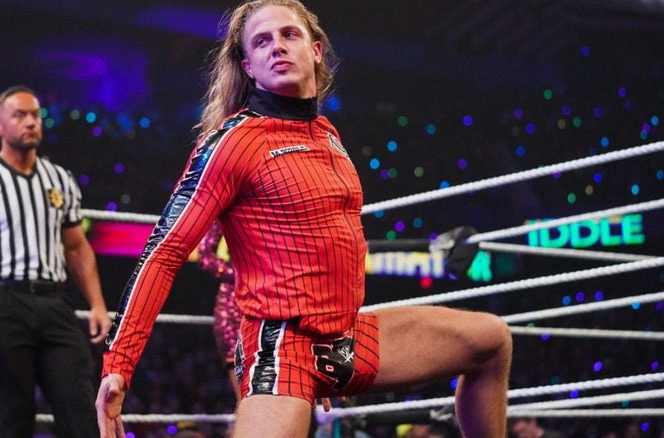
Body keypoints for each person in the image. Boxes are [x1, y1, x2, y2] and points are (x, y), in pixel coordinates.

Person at [96, 1, 513, 437]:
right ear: (248, 67)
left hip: (344, 338)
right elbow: (163, 253)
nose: (277, 46)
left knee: (490, 340)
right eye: (262, 41)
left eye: (288, 34)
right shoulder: (233, 143)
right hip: (283, 348)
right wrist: (118, 364)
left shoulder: (327, 134)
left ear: (315, 50)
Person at [0, 85, 112, 438]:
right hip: (3, 301)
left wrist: (97, 303)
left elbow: (77, 246)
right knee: (15, 413)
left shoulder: (60, 180)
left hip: (55, 302)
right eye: (19, 115)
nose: (30, 122)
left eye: (35, 115)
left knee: (79, 407)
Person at [197, 221, 242, 401]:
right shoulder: (230, 204)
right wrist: (238, 276)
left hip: (273, 298)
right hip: (234, 303)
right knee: (245, 397)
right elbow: (205, 255)